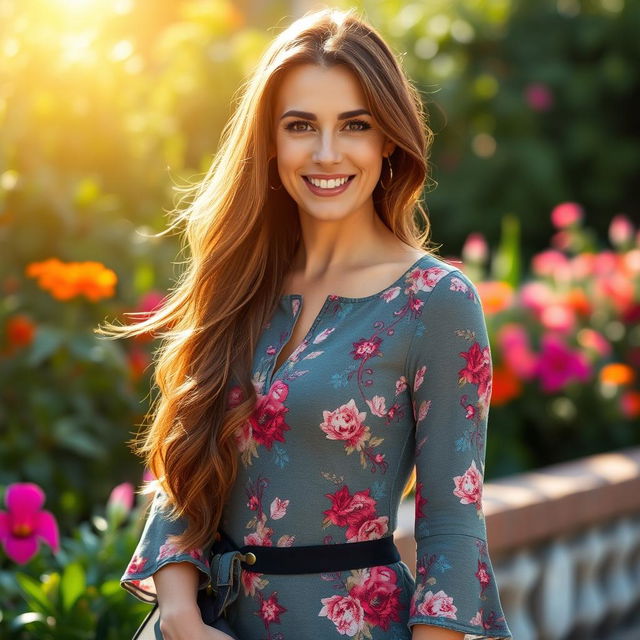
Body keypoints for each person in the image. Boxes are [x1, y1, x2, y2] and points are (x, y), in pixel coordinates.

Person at [102, 7, 512, 640]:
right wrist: (181, 618)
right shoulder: (241, 281)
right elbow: (186, 466)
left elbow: (452, 528)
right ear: (270, 141)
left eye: (355, 125)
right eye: (301, 126)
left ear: (387, 140)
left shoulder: (435, 301)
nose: (326, 153)